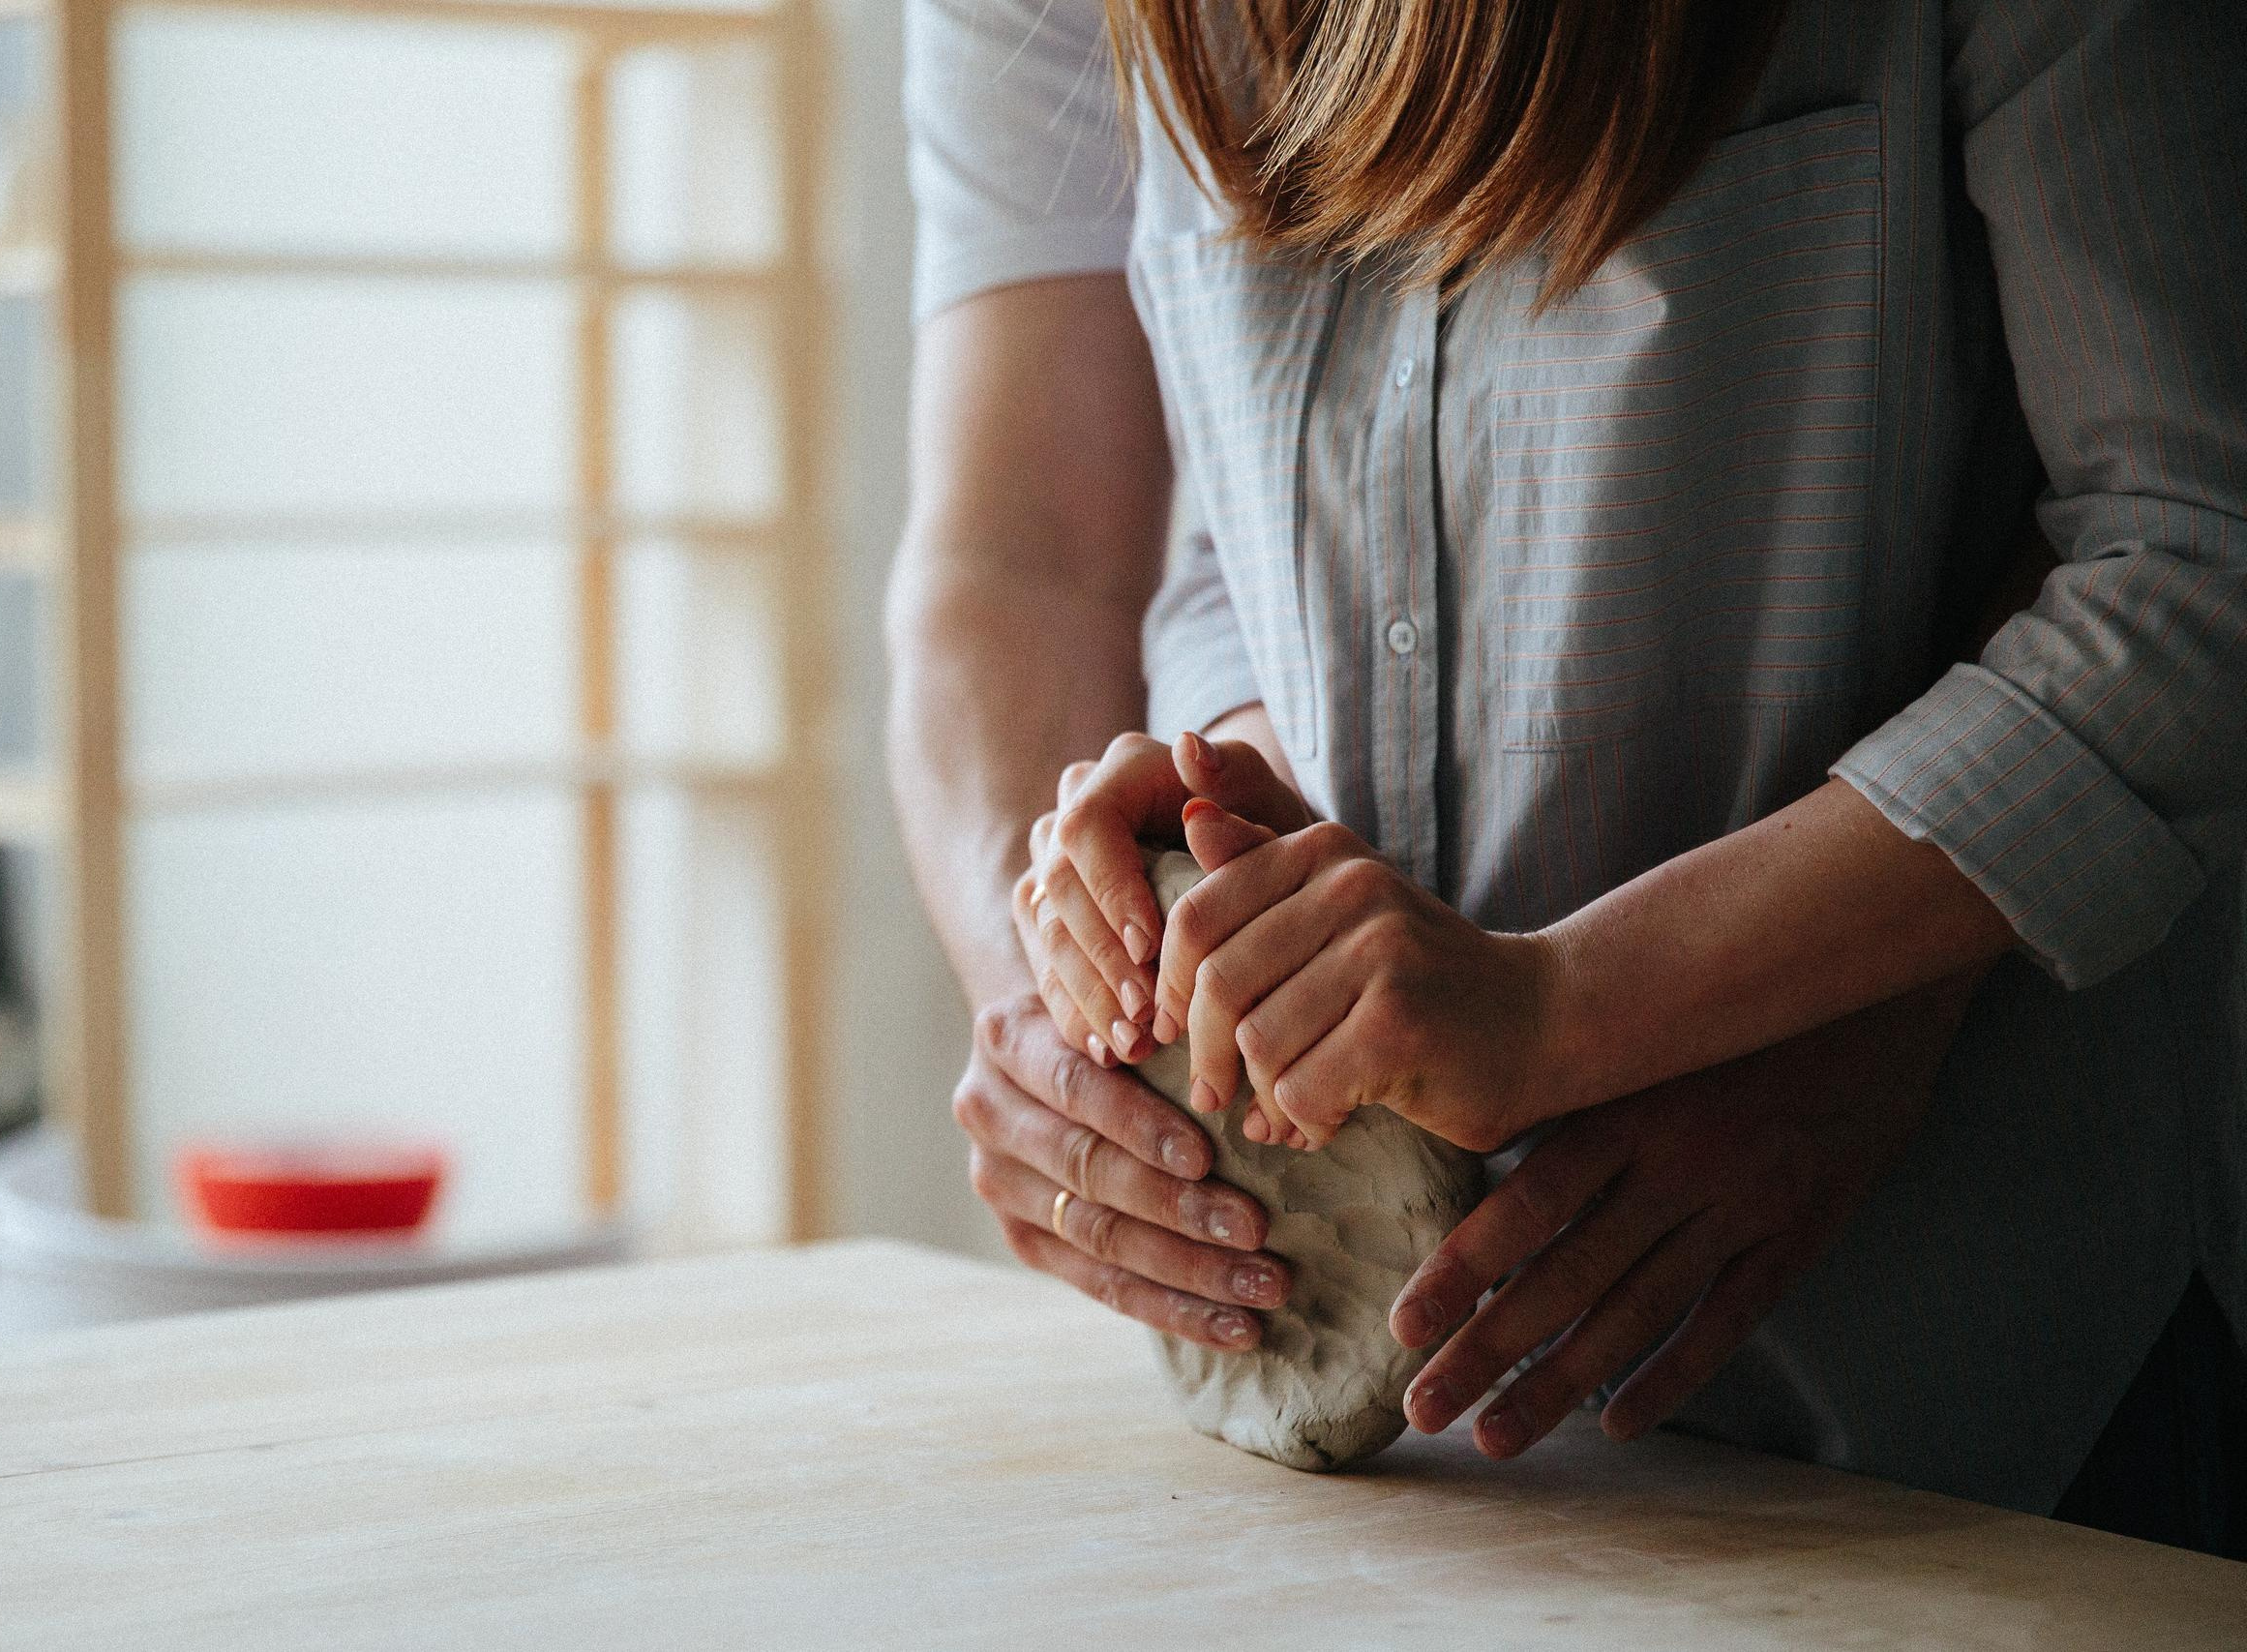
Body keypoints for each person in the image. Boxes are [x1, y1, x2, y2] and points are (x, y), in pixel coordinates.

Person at [885, 0, 2247, 1553]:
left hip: (1987, 1365)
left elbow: (2198, 552)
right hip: (1426, 1498)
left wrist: (1600, 1008)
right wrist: (1103, 983)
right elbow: (1074, 554)